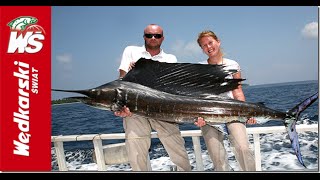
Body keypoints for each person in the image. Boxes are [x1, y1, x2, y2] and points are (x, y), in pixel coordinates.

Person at [114, 24, 191, 171]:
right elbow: (122, 81)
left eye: (157, 35)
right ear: (144, 37)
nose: (153, 38)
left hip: (162, 109)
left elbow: (172, 89)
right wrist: (121, 106)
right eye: (149, 35)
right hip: (135, 110)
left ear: (163, 38)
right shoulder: (130, 51)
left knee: (177, 149)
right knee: (136, 152)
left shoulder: (170, 58)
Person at [194, 30, 256, 171]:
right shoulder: (200, 68)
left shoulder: (233, 64)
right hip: (208, 115)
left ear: (218, 42)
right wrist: (198, 116)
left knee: (243, 148)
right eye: (204, 45)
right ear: (202, 49)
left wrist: (247, 112)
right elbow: (198, 96)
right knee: (217, 156)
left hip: (232, 111)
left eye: (210, 42)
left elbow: (237, 91)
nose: (208, 47)